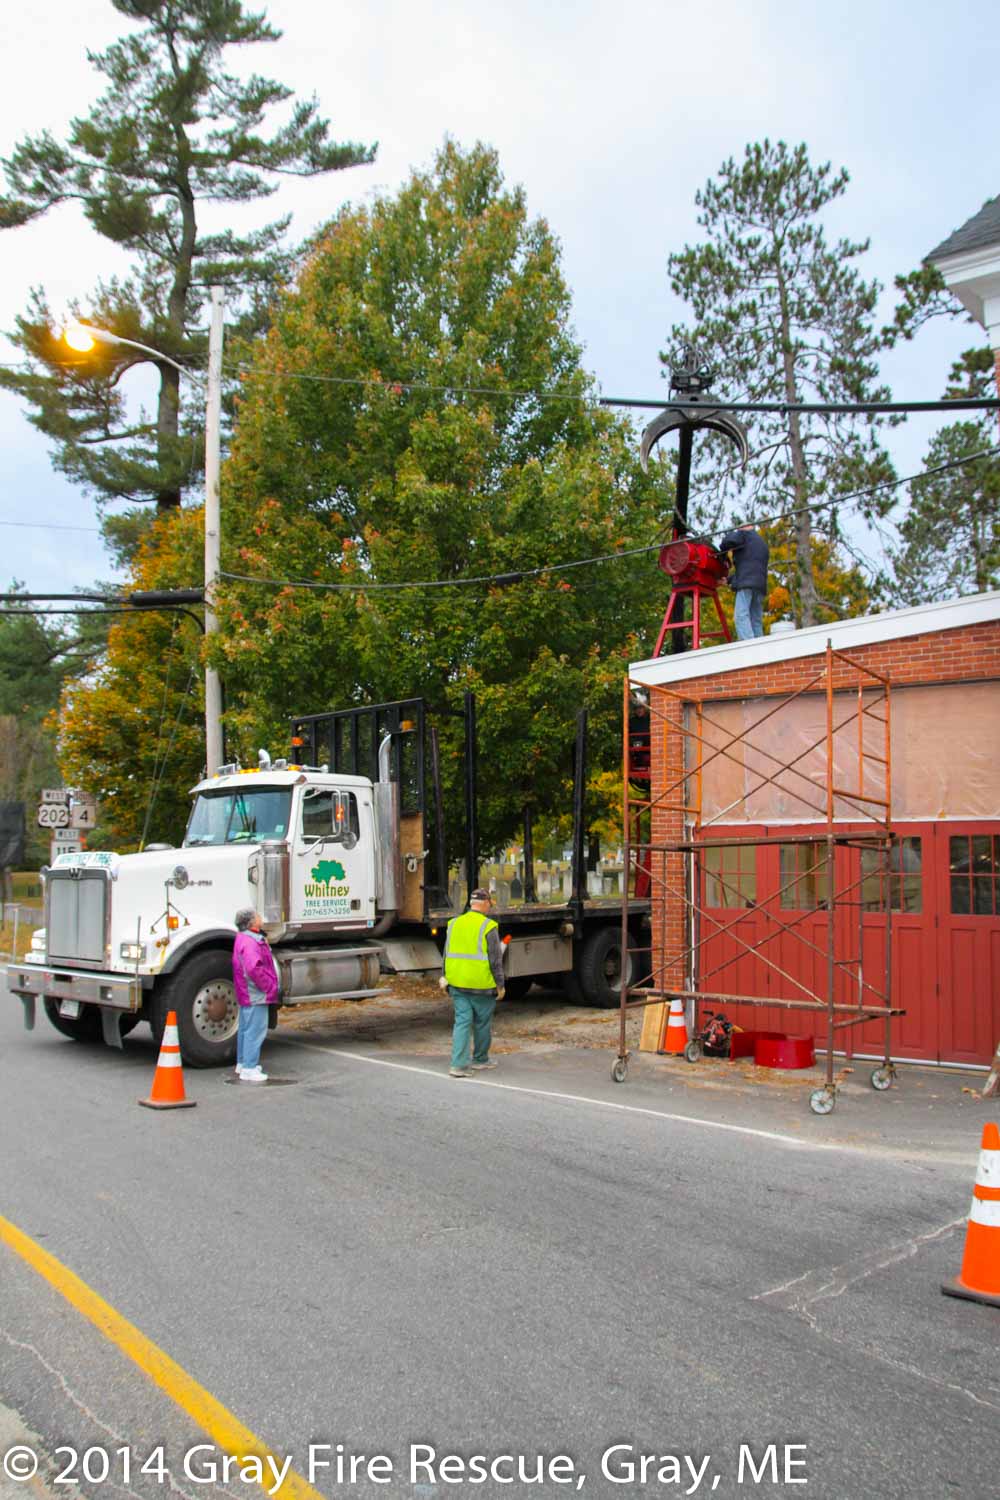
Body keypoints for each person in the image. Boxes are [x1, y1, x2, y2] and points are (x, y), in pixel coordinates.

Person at [439, 887, 506, 1078]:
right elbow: (495, 960)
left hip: (457, 982)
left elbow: (446, 953)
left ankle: (458, 1065)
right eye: (489, 903)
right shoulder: (489, 926)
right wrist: (500, 985)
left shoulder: (453, 924)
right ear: (484, 903)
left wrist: (444, 976)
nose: (490, 907)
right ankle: (480, 1059)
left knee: (462, 1022)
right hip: (481, 985)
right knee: (482, 1023)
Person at [232, 908, 279, 1083]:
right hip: (256, 993)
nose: (260, 918)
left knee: (245, 1028)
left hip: (246, 991)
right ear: (251, 922)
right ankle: (249, 1068)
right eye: (257, 916)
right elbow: (253, 968)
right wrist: (269, 986)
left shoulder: (243, 938)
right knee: (256, 1030)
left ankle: (243, 1063)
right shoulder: (253, 942)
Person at [719, 522, 769, 640]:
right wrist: (728, 580)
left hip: (747, 585)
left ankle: (748, 644)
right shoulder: (762, 543)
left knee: (741, 616)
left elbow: (727, 541)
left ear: (743, 528)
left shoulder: (744, 535)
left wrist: (723, 554)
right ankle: (759, 644)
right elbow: (749, 568)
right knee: (755, 619)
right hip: (760, 585)